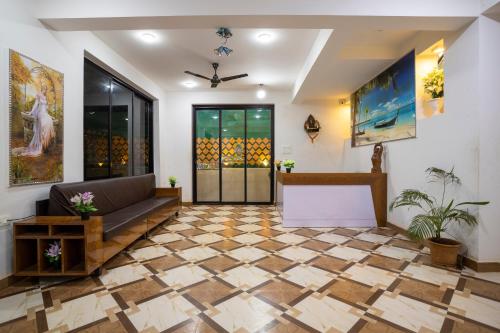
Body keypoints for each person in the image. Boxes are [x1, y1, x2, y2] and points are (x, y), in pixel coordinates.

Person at [14, 85, 55, 157]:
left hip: (44, 113)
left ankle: (44, 145)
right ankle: (40, 146)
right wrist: (31, 112)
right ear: (42, 88)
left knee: (49, 121)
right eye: (44, 89)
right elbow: (35, 105)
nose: (45, 90)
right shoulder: (39, 95)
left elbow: (45, 108)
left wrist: (49, 115)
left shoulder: (45, 97)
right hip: (40, 114)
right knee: (44, 123)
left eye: (46, 89)